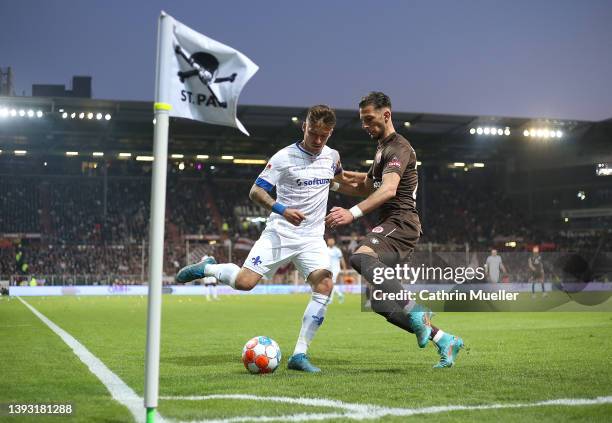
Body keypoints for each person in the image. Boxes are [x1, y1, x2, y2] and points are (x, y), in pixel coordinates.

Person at [177, 105, 344, 373]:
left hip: (312, 238)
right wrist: (282, 209)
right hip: (280, 232)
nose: (317, 140)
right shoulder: (283, 157)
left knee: (325, 284)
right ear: (304, 126)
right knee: (244, 283)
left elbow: (336, 181)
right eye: (313, 133)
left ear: (330, 133)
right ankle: (208, 267)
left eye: (323, 136)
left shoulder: (333, 157)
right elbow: (256, 191)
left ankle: (299, 355)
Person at [325, 91, 464, 368]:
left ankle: (416, 310)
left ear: (386, 114)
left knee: (359, 258)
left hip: (401, 221)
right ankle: (445, 340)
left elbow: (388, 190)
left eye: (369, 119)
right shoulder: (381, 150)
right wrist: (329, 182)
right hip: (391, 224)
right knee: (378, 302)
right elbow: (365, 185)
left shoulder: (398, 146)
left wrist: (351, 213)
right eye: (362, 120)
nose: (365, 125)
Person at [326, 237, 346, 304]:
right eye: (330, 241)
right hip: (328, 269)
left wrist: (344, 268)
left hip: (335, 269)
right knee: (330, 284)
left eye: (332, 241)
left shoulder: (337, 250)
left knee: (331, 283)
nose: (331, 242)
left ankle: (330, 299)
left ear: (334, 242)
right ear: (328, 242)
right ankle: (340, 294)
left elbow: (342, 259)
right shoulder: (325, 250)